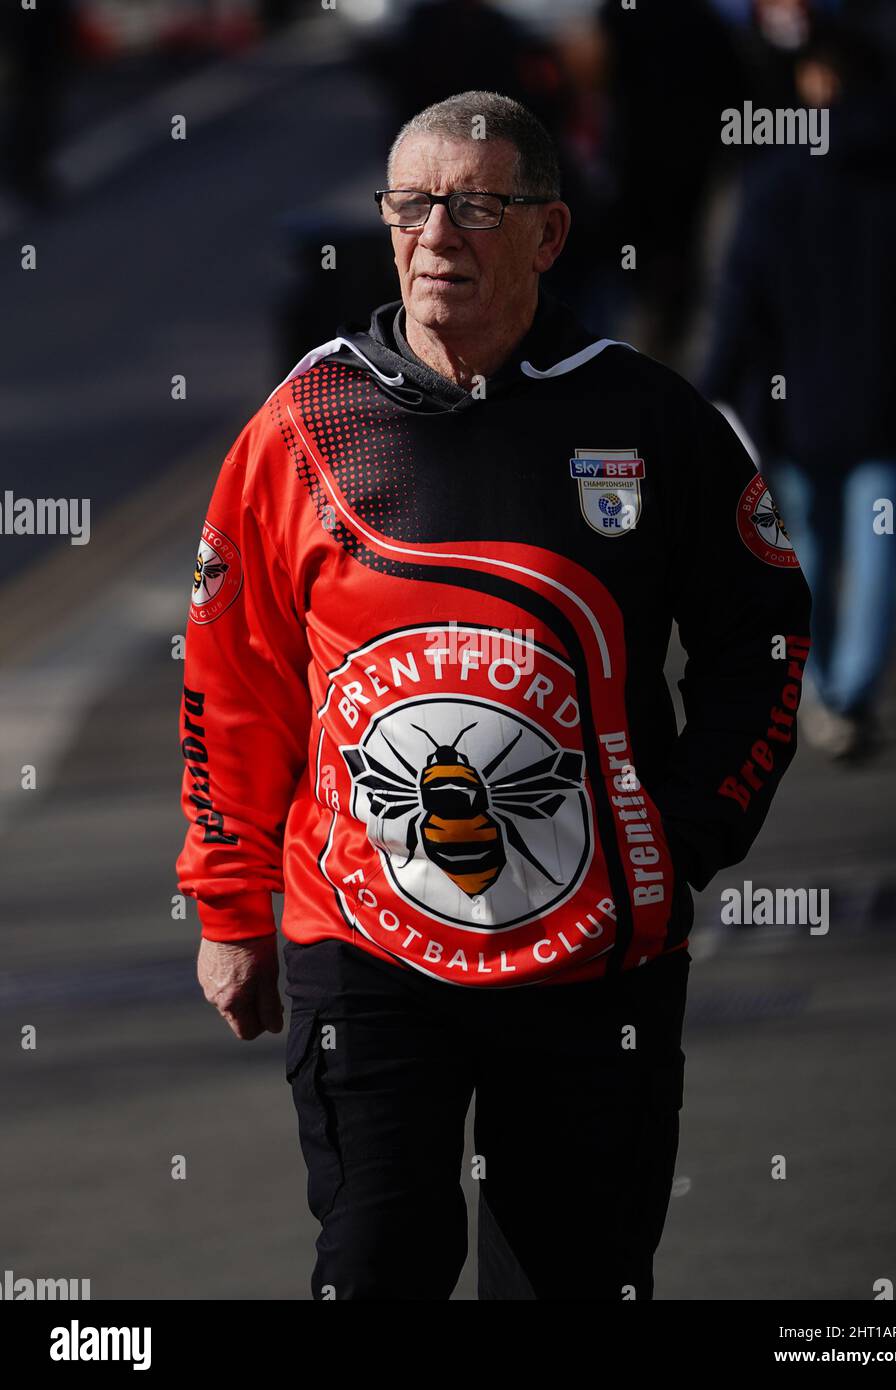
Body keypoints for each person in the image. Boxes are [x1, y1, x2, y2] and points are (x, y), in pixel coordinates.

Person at [176, 91, 811, 1300]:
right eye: (411, 205)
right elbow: (234, 678)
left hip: (592, 961)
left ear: (549, 233)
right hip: (358, 946)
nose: (436, 236)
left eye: (477, 205)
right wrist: (226, 907)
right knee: (373, 1266)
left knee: (575, 1277)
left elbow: (762, 639)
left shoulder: (649, 417)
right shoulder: (302, 423)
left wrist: (685, 832)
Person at [699, 21, 896, 760]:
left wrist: (713, 389)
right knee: (879, 550)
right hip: (895, 396)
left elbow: (740, 302)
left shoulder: (775, 181)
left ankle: (819, 696)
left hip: (797, 405)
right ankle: (850, 693)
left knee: (808, 552)